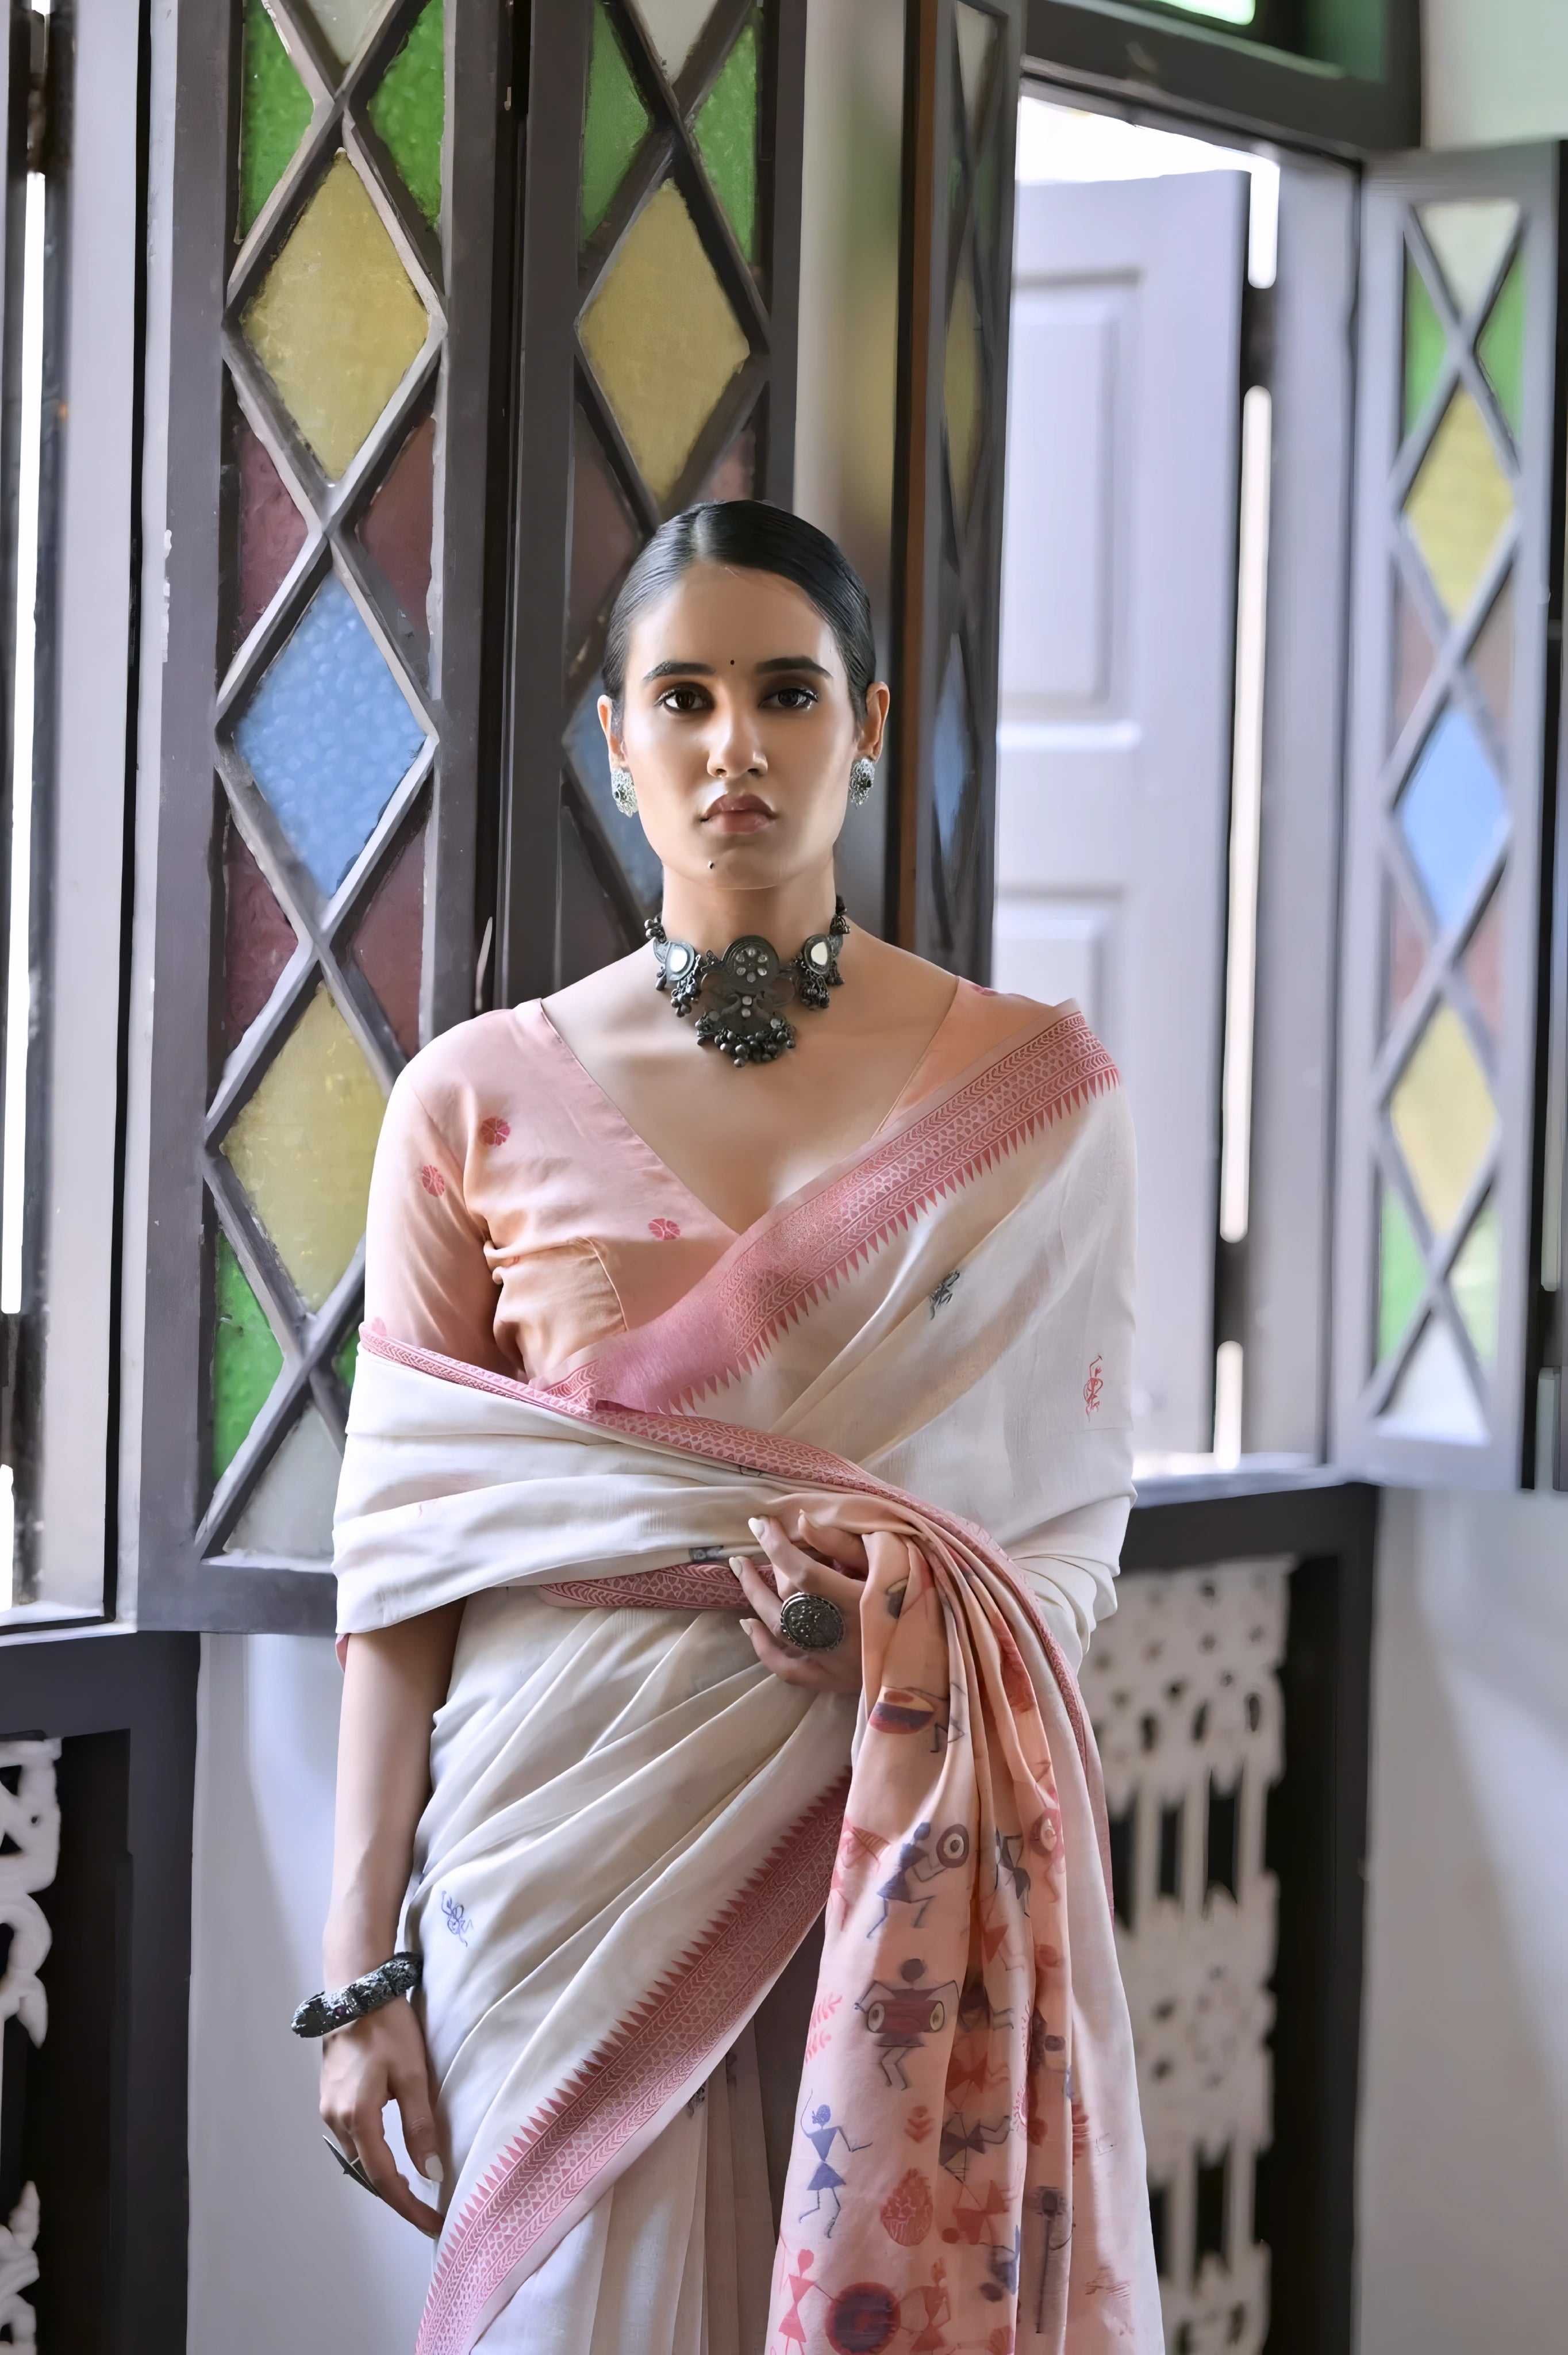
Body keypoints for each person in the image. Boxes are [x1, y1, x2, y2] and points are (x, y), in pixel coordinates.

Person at [312, 501, 1161, 2353]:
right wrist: (356, 1964)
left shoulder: (1038, 1101)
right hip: (562, 1864)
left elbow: (1076, 1538)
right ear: (615, 746)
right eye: (679, 697)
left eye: (785, 694)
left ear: (865, 726)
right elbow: (403, 1561)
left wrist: (895, 1644)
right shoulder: (470, 1100)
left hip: (894, 1828)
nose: (733, 747)